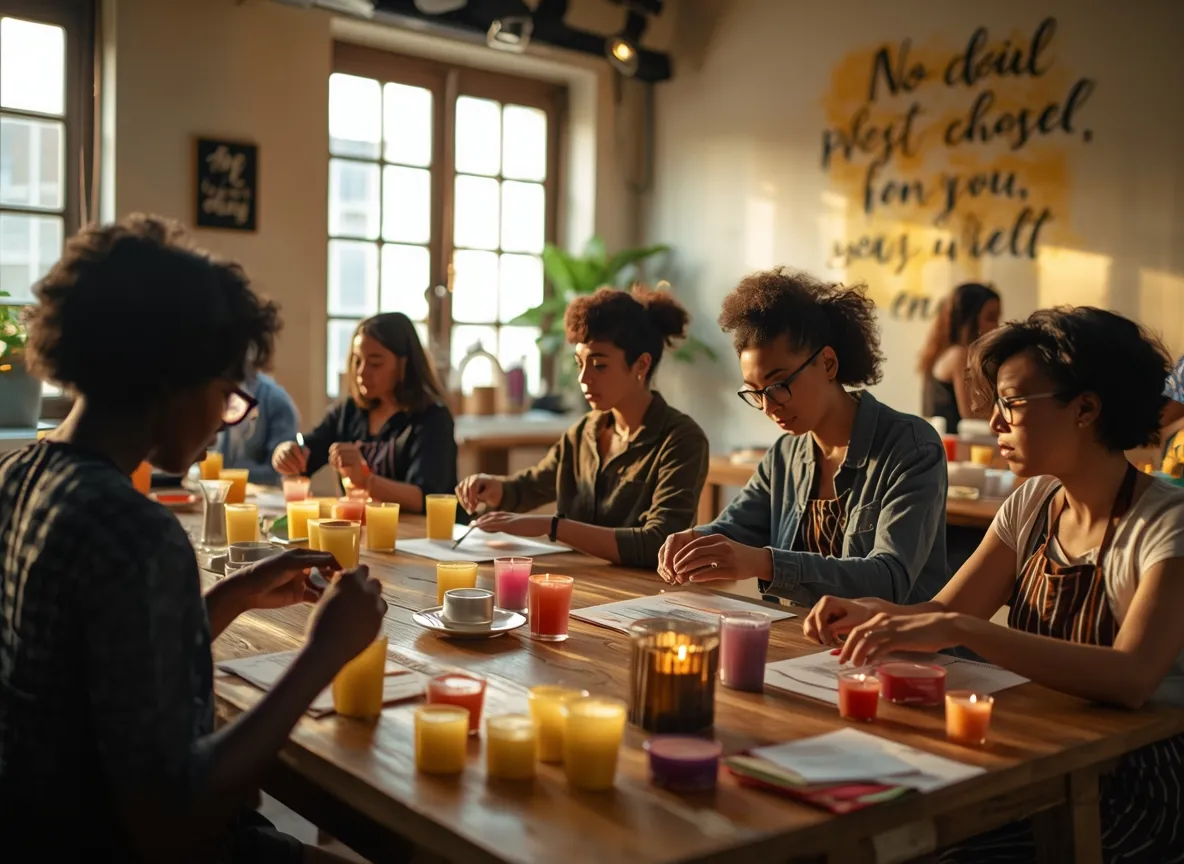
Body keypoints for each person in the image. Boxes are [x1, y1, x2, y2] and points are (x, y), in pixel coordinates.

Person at [0, 215, 387, 863]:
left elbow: (102, 667)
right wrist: (324, 654)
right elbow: (171, 820)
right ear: (171, 379)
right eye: (226, 394)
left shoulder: (19, 474)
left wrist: (232, 595)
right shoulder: (134, 533)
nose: (224, 418)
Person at [805, 307, 1184, 863]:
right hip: (1035, 752)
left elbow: (1130, 677)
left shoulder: (1166, 523)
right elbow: (943, 611)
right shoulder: (1032, 504)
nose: (997, 423)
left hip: (1134, 786)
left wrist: (958, 628)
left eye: (1013, 403)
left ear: (1086, 408)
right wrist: (870, 613)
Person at [657, 267, 949, 606]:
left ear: (827, 363)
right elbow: (734, 529)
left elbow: (889, 579)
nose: (768, 406)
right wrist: (695, 541)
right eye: (755, 392)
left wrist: (763, 562)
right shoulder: (786, 454)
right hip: (803, 645)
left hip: (893, 651)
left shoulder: (911, 447)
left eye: (779, 385)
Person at [456, 286, 709, 569]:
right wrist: (493, 487)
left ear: (641, 365)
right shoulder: (584, 432)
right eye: (579, 364)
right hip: (581, 584)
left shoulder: (681, 439)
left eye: (599, 365)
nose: (584, 378)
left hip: (646, 598)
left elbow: (660, 543)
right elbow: (533, 485)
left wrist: (554, 527)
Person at [272, 312, 457, 513]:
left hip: (419, 539)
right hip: (362, 532)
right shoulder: (349, 411)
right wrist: (285, 452)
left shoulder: (432, 417)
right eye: (357, 361)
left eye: (375, 363)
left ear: (404, 364)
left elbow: (425, 499)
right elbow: (305, 455)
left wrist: (366, 479)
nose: (361, 371)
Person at [918, 282, 1001, 433]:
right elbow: (972, 415)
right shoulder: (959, 356)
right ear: (969, 320)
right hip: (953, 449)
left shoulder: (947, 353)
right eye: (990, 318)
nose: (997, 326)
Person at [215, 371, 299, 486]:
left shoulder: (276, 401)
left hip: (264, 500)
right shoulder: (218, 392)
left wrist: (227, 475)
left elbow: (278, 472)